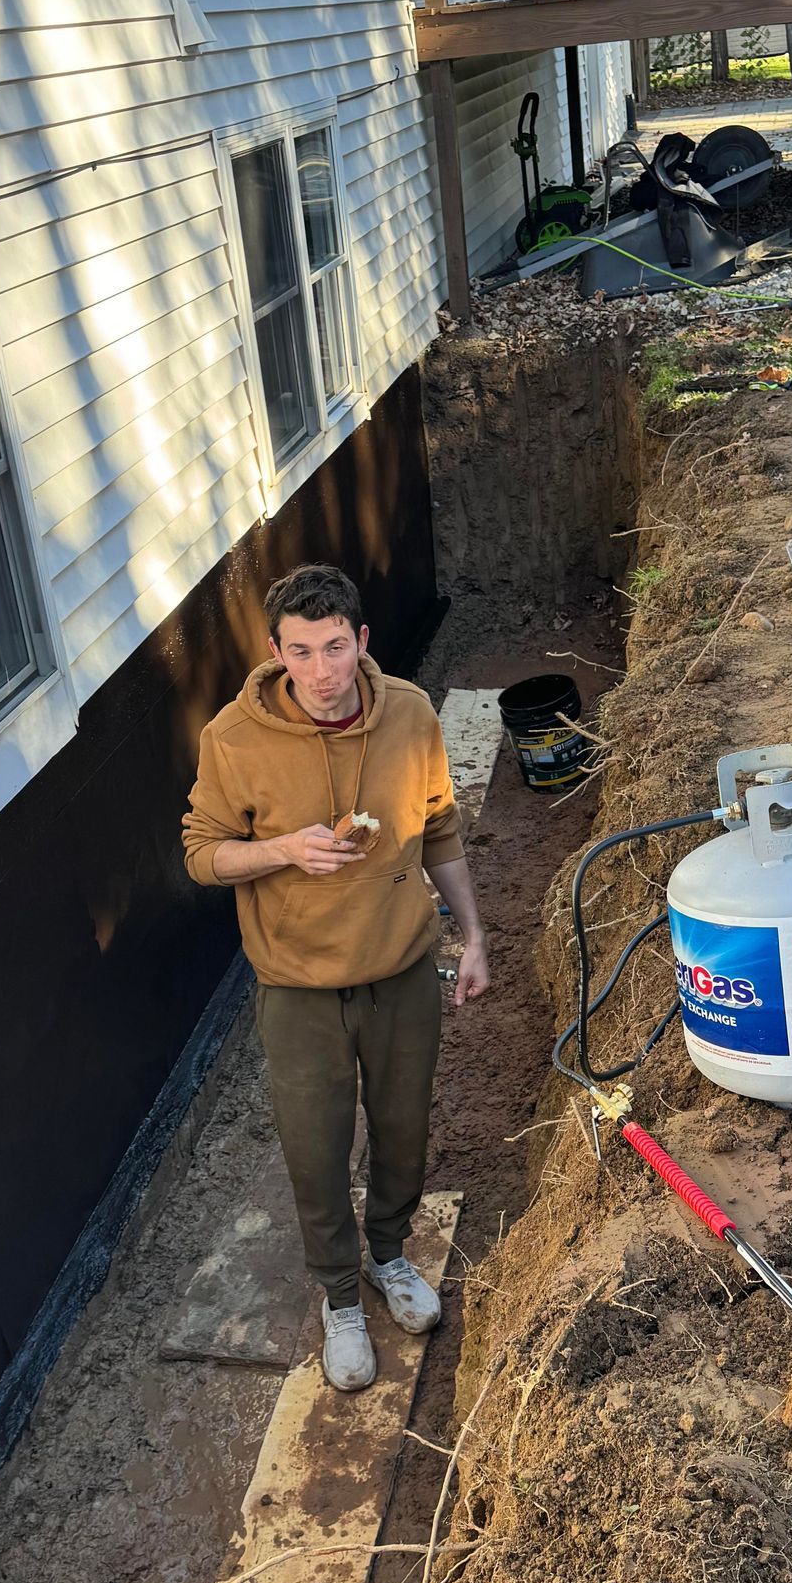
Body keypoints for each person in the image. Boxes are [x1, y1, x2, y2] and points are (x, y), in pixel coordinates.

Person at [182, 564, 490, 1392]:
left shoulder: (412, 715)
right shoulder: (234, 740)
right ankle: (339, 1298)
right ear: (276, 653)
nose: (320, 672)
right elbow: (202, 852)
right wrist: (284, 849)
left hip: (400, 973)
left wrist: (473, 937)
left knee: (404, 1131)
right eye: (300, 652)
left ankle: (390, 1257)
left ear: (361, 642)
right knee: (315, 1151)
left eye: (333, 648)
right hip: (298, 989)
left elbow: (440, 829)